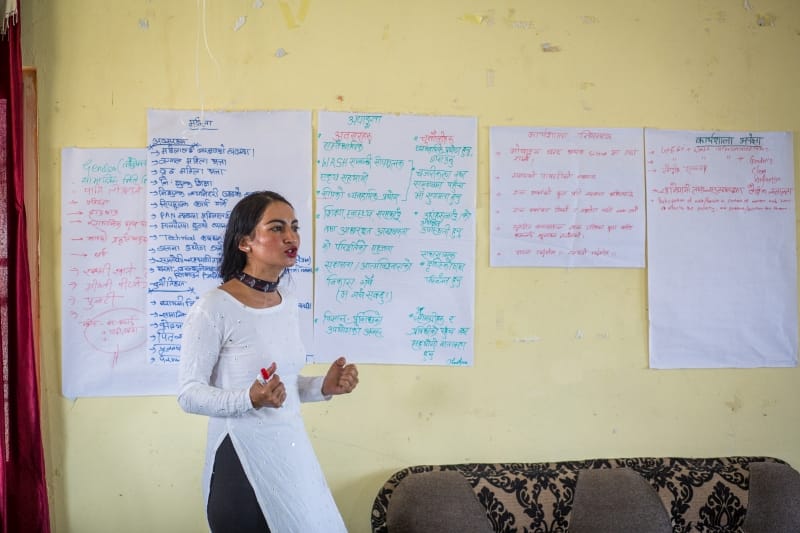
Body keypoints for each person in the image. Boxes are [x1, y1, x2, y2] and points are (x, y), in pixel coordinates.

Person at [177, 190, 359, 533]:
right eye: (276, 228)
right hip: (240, 458)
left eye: (294, 227)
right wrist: (249, 398)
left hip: (291, 454)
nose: (291, 237)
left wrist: (323, 386)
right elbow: (189, 394)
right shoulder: (213, 307)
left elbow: (281, 385)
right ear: (245, 242)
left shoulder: (285, 302)